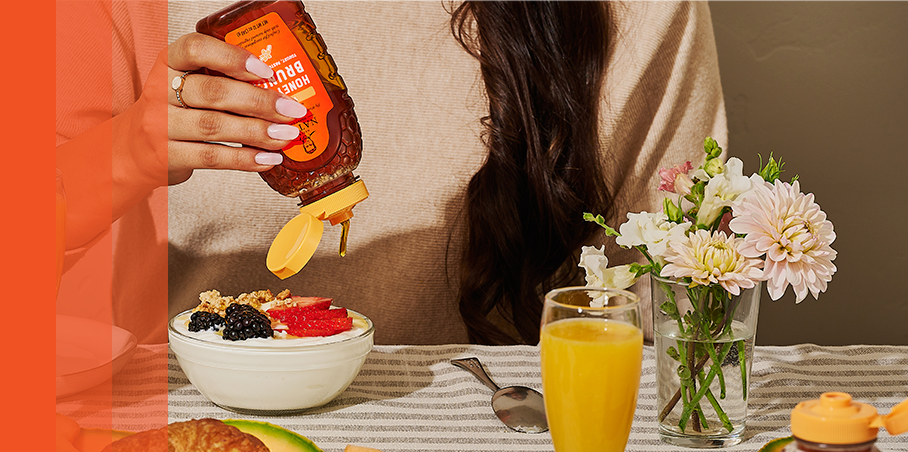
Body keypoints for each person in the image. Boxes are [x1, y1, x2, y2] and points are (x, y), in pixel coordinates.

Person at [59, 0, 726, 345]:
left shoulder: (633, 11)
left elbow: (683, 312)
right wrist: (127, 155)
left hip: (498, 451)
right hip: (190, 440)